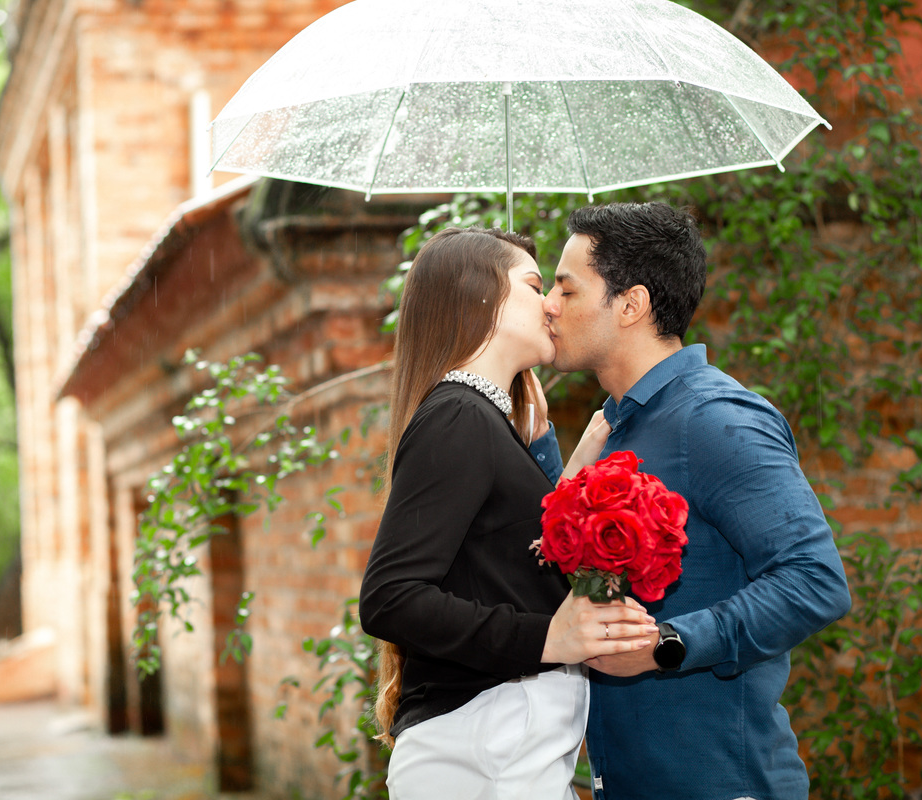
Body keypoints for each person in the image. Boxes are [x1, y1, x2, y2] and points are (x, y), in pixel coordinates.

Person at [541, 202, 852, 800]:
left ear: (630, 305)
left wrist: (667, 645)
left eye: (566, 288)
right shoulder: (613, 428)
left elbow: (816, 581)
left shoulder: (714, 419)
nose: (549, 305)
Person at [359, 226, 655, 800]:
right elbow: (390, 598)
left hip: (499, 749)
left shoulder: (481, 420)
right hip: (483, 745)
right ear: (482, 297)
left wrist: (567, 470)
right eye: (536, 285)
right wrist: (549, 638)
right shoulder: (459, 416)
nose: (552, 304)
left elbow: (502, 570)